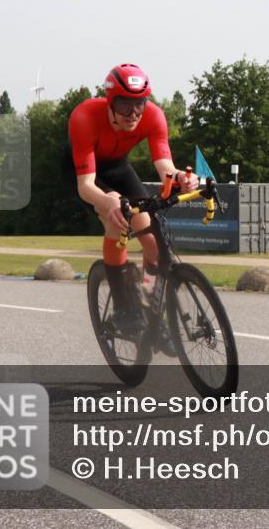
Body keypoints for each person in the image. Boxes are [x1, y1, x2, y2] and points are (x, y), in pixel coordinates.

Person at [65, 63, 198, 334]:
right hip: (87, 173)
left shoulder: (154, 116)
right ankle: (124, 306)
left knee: (153, 241)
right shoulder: (85, 116)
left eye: (139, 104)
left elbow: (165, 167)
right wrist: (108, 202)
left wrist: (182, 179)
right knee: (117, 219)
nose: (133, 113)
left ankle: (150, 306)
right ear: (110, 102)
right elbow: (86, 185)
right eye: (124, 105)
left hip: (119, 167)